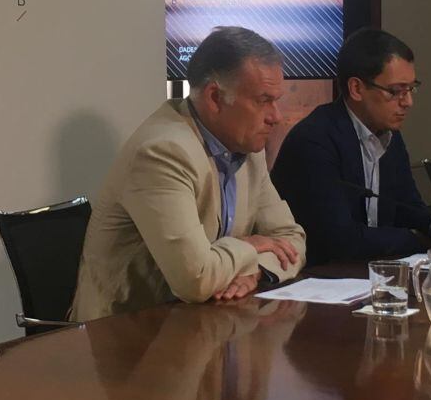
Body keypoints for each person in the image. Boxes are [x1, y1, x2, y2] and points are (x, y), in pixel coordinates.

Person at [70, 27, 306, 321]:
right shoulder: (162, 152)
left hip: (204, 321)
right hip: (129, 332)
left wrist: (257, 270)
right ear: (215, 97)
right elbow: (196, 279)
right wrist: (250, 246)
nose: (276, 116)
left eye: (276, 100)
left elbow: (291, 240)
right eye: (263, 100)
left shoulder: (247, 146)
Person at [271, 28, 431, 265]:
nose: (408, 102)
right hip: (319, 275)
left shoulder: (389, 135)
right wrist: (420, 239)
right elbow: (339, 240)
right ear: (356, 89)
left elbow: (406, 206)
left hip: (368, 271)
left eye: (411, 89)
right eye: (396, 91)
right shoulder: (315, 140)